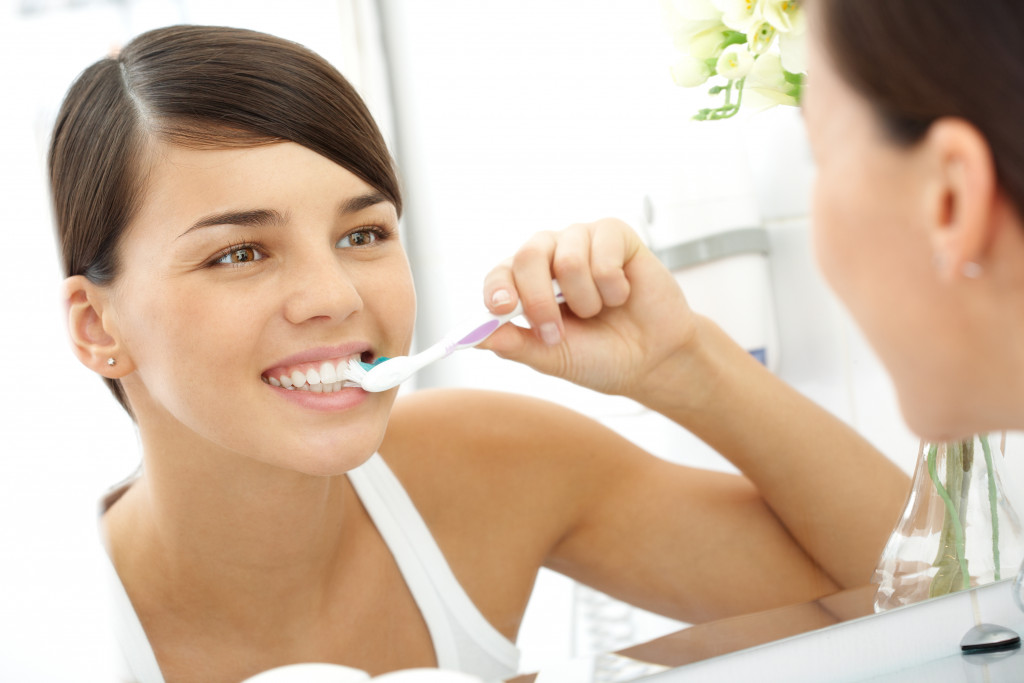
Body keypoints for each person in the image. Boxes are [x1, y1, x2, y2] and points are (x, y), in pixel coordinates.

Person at [53, 22, 909, 683]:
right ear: (98, 326)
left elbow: (925, 600)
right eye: (239, 253)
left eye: (362, 233)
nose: (337, 296)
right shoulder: (48, 629)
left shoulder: (484, 467)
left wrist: (687, 364)